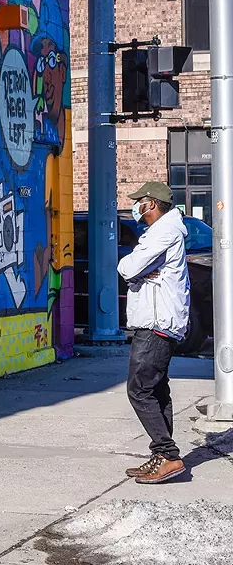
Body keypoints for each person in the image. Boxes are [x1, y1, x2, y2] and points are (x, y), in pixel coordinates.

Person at [118, 182, 190, 484]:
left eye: (140, 202)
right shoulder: (164, 231)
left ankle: (168, 455)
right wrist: (141, 273)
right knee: (157, 389)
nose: (137, 207)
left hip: (156, 322)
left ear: (153, 203)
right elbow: (137, 270)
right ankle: (162, 457)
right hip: (161, 321)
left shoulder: (164, 231)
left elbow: (128, 267)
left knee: (139, 389)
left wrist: (138, 272)